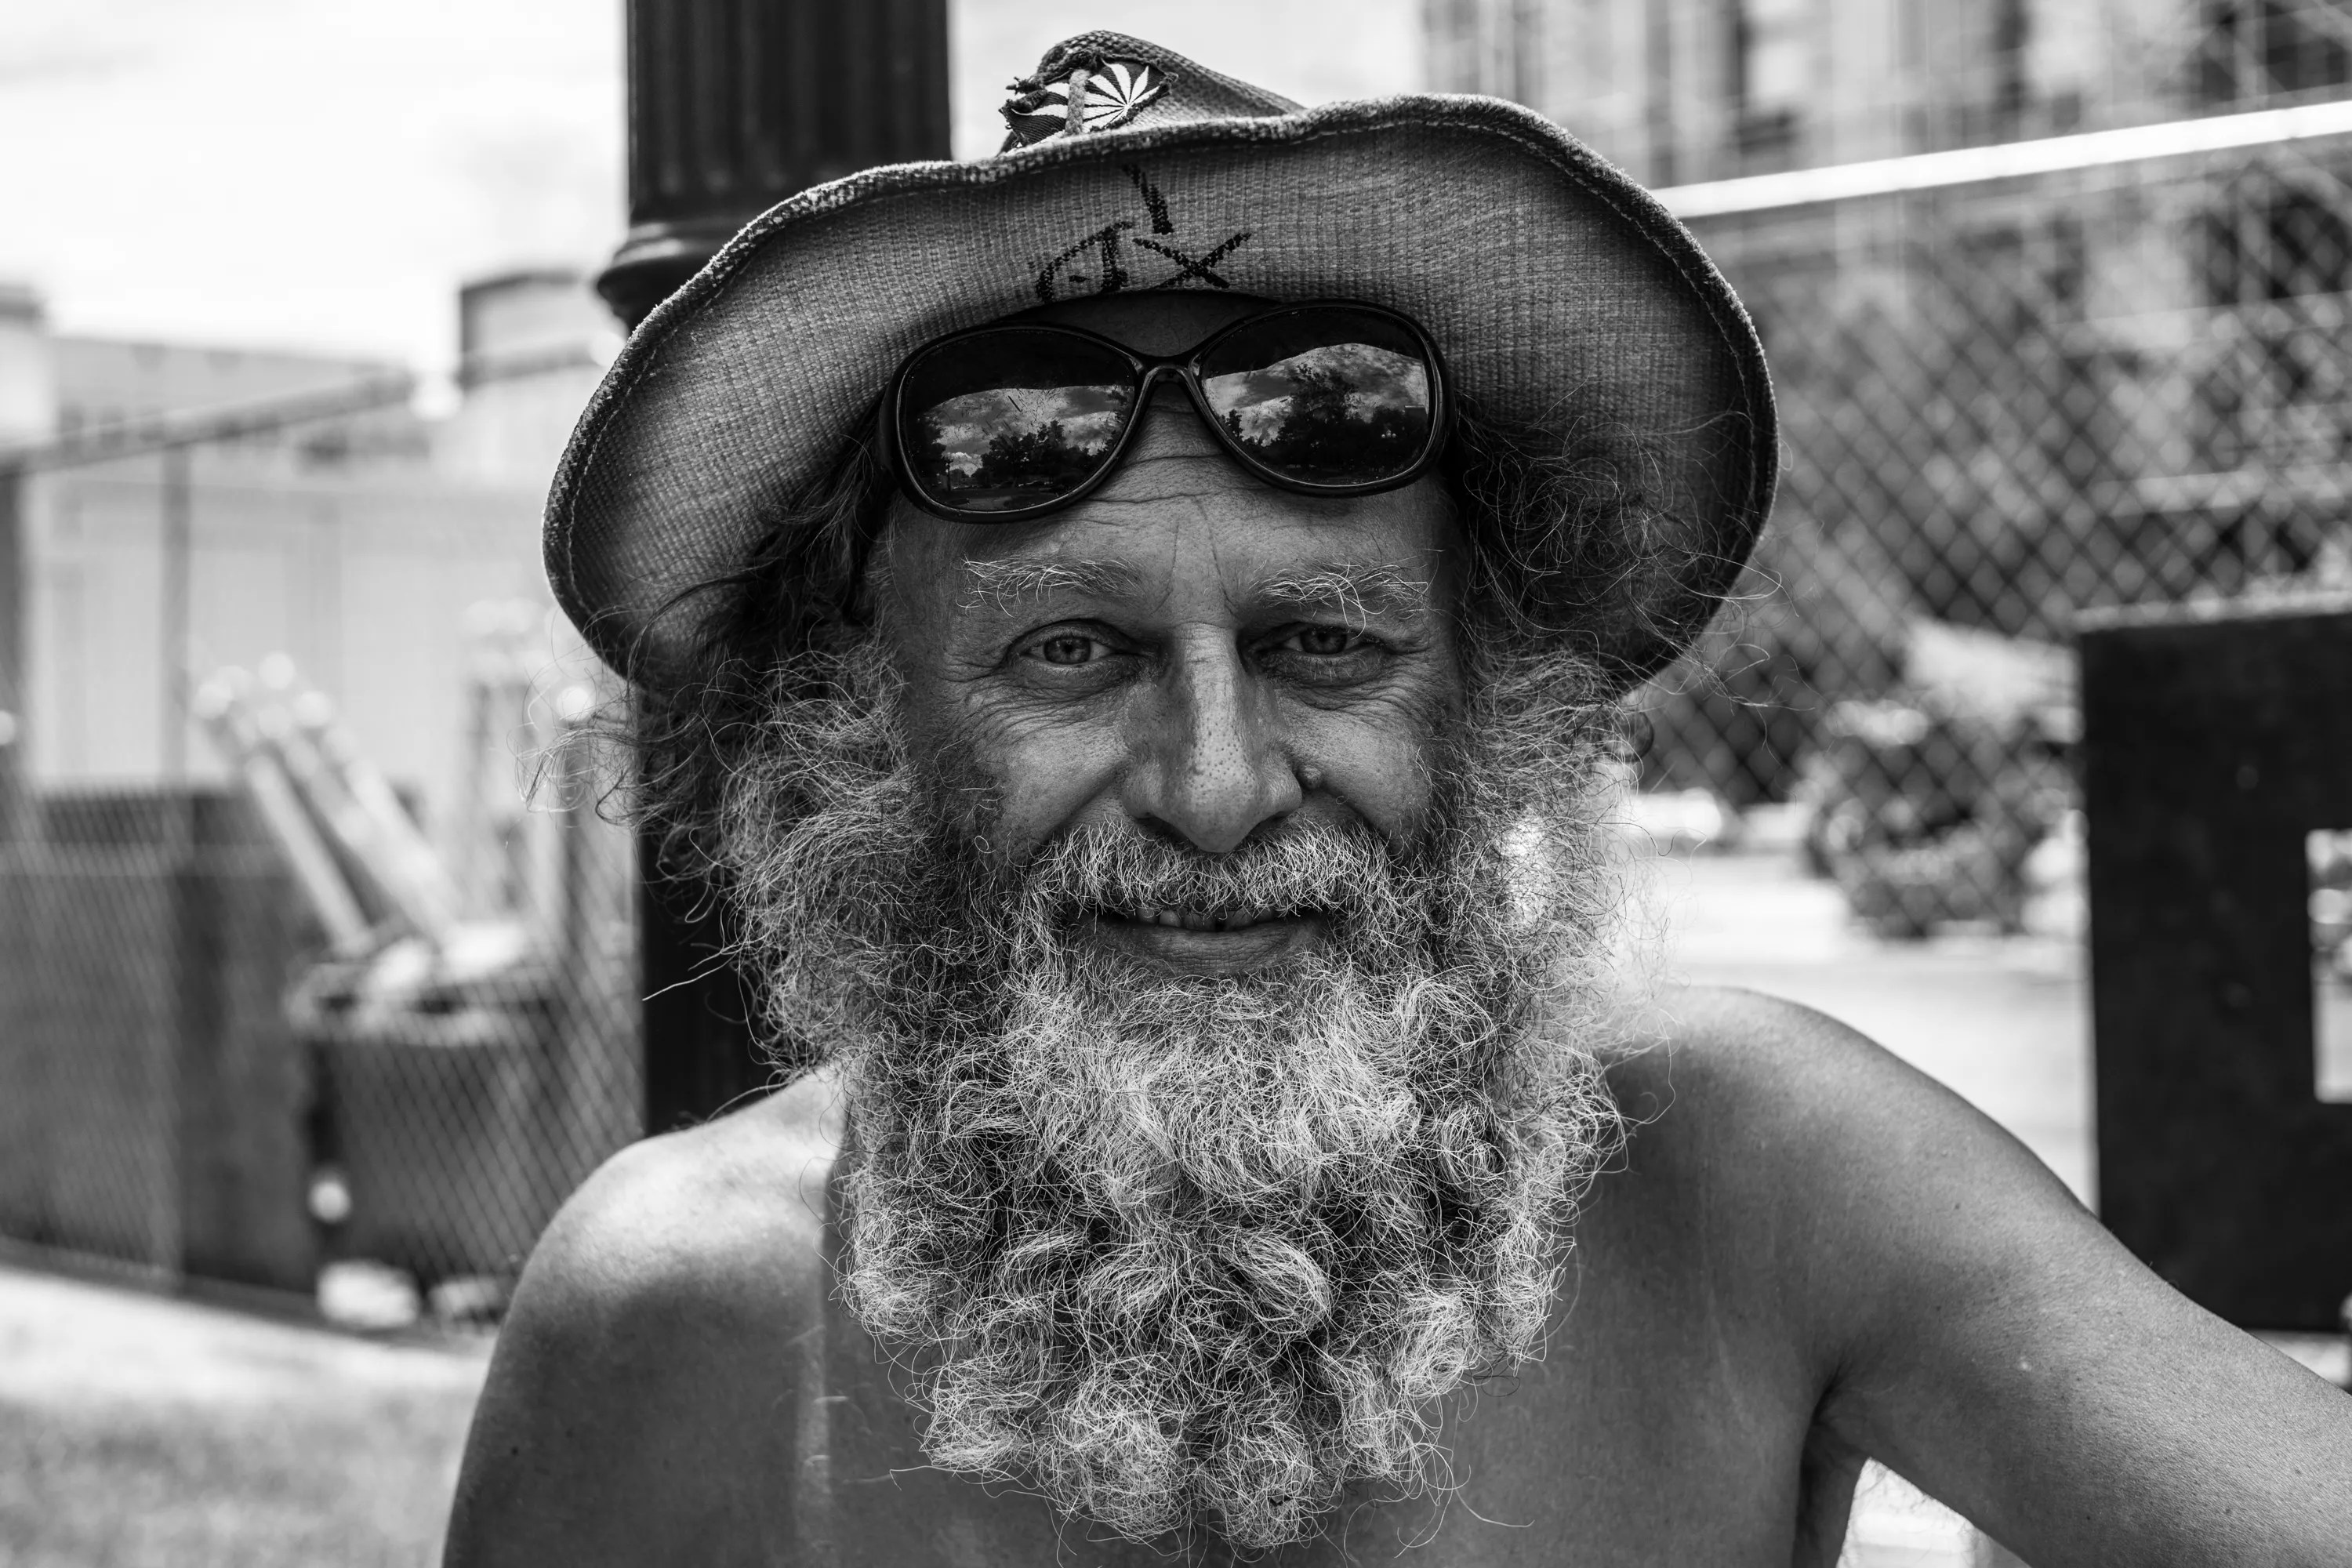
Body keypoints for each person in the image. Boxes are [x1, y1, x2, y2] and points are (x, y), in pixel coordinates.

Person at [445, 33, 2352, 1566]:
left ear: (1484, 704)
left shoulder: (1749, 1176)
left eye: (1325, 646)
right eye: (1071, 652)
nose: (1214, 787)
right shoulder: (671, 1314)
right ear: (864, 728)